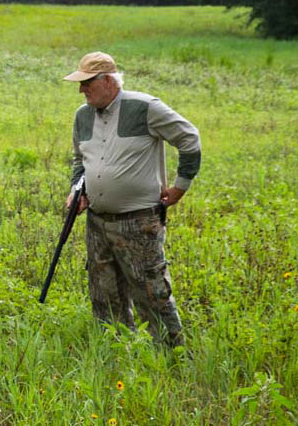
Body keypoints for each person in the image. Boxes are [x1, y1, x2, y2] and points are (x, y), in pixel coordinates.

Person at [63, 51, 201, 347]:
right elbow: (80, 160)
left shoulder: (145, 107)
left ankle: (172, 354)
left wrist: (179, 187)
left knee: (151, 292)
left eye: (87, 82)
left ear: (109, 81)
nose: (81, 89)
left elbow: (189, 138)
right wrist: (78, 190)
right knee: (103, 293)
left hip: (138, 222)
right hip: (98, 222)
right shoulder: (82, 115)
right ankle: (116, 352)